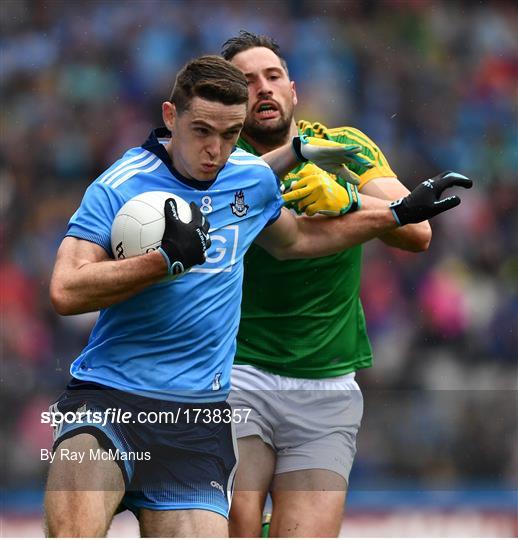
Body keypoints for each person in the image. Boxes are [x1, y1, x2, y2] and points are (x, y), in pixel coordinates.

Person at [44, 53, 469, 538]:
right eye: (202, 131)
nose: (215, 151)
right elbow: (65, 289)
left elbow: (301, 240)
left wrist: (395, 213)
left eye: (229, 135)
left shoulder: (247, 177)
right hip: (109, 400)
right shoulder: (121, 184)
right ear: (170, 116)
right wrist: (159, 261)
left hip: (194, 422)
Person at [221, 31, 471, 537]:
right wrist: (351, 205)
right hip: (235, 374)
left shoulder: (345, 145)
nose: (263, 89)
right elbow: (285, 238)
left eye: (272, 77)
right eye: (246, 83)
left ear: (294, 89)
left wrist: (348, 195)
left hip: (327, 383)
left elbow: (417, 229)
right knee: (235, 525)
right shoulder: (222, 163)